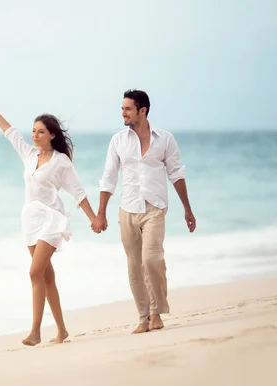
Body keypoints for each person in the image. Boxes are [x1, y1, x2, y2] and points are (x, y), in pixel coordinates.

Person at [0, 88, 97, 346]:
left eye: (40, 131)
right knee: (46, 277)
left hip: (52, 219)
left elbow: (78, 192)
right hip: (30, 219)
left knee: (34, 273)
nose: (34, 134)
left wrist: (94, 217)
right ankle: (62, 330)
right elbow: (9, 131)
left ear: (52, 135)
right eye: (33, 130)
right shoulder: (29, 154)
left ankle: (35, 332)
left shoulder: (61, 161)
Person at [91, 89, 196, 334]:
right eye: (122, 108)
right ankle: (143, 316)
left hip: (154, 207)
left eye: (127, 108)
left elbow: (176, 174)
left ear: (142, 111)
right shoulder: (118, 141)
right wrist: (101, 213)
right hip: (128, 208)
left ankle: (156, 311)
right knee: (134, 265)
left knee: (152, 259)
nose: (123, 113)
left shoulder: (165, 139)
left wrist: (187, 209)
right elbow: (108, 178)